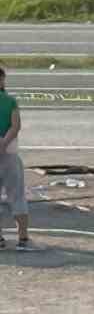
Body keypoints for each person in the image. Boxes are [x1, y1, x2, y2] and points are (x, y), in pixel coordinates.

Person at [0, 62, 30, 251]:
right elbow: (16, 126)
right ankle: (23, 238)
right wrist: (4, 142)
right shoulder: (10, 101)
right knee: (17, 196)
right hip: (9, 153)